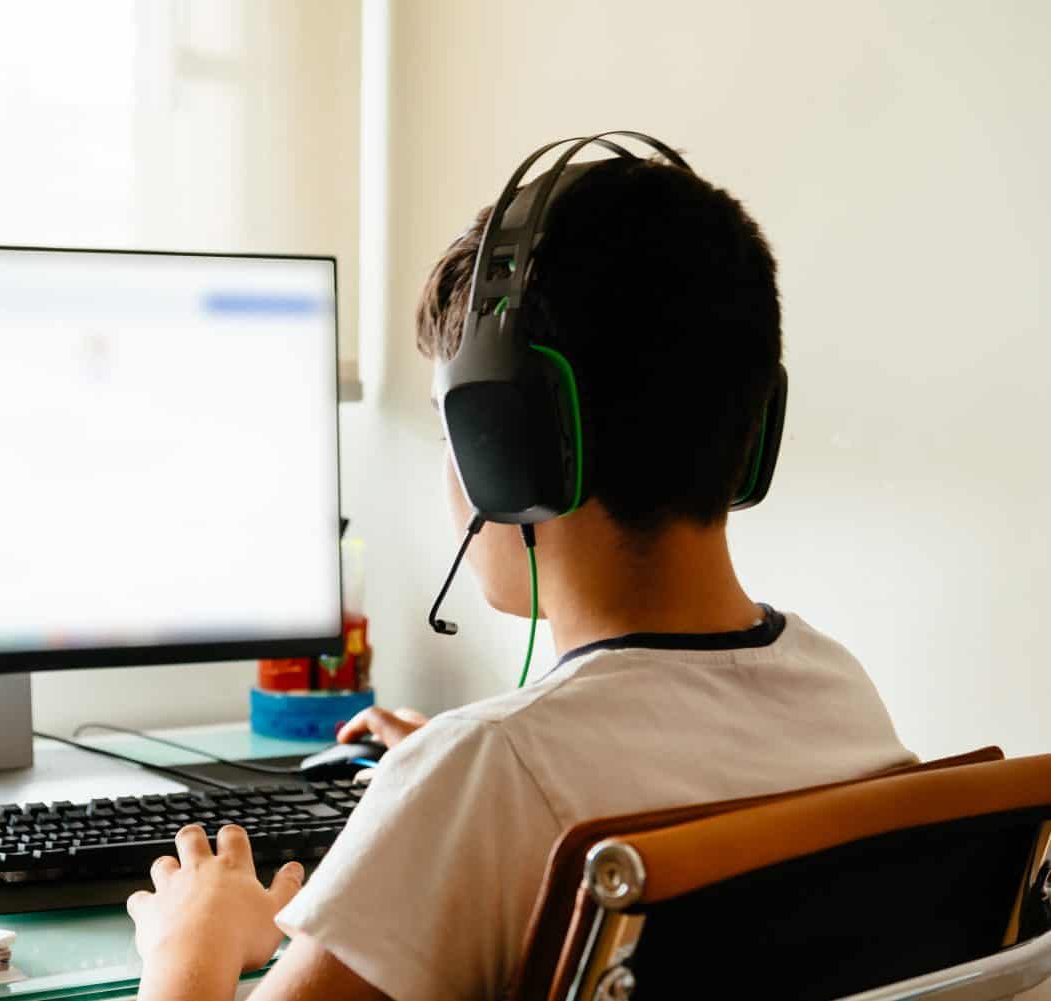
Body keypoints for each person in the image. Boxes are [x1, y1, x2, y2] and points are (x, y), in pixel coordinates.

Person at [125, 151, 915, 1001]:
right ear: (757, 426)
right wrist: (460, 776)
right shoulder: (842, 694)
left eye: (450, 429)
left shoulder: (485, 776)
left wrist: (191, 943)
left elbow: (512, 784)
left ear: (510, 448)